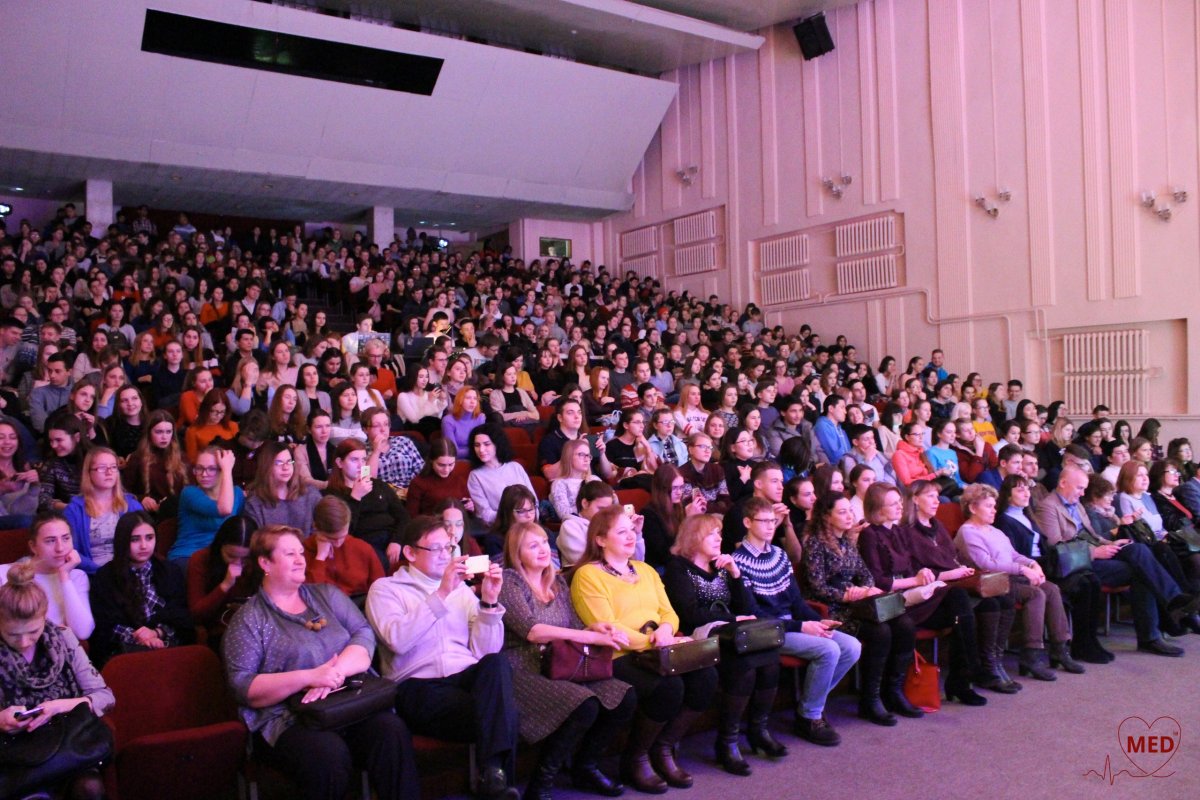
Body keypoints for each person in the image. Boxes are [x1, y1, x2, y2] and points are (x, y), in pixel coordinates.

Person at [222, 525, 419, 800]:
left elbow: (363, 635)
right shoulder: (249, 619)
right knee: (328, 754)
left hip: (347, 702)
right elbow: (243, 687)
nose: (301, 559)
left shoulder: (326, 595)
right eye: (290, 553)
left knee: (391, 730)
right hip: (289, 718)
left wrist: (334, 673)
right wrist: (309, 677)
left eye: (301, 552)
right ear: (265, 562)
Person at [366, 515, 520, 800]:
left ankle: (493, 777)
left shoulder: (461, 590)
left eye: (448, 548)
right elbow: (398, 640)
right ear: (410, 553)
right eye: (435, 549)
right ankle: (496, 779)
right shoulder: (385, 589)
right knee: (505, 713)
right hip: (417, 685)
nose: (445, 555)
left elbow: (485, 652)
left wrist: (488, 603)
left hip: (464, 679)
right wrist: (442, 592)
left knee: (498, 665)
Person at [570, 506, 718, 794]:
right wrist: (655, 641)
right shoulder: (588, 575)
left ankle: (662, 749)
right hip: (616, 655)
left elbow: (669, 613)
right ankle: (635, 757)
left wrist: (665, 631)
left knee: (706, 677)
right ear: (600, 539)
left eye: (631, 530)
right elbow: (606, 627)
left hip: (658, 647)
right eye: (621, 531)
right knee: (669, 687)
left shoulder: (647, 570)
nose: (630, 536)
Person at [500, 520, 636, 798]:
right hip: (522, 669)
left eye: (544, 542)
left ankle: (585, 766)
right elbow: (532, 631)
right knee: (583, 706)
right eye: (532, 544)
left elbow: (575, 628)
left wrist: (596, 629)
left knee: (624, 697)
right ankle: (540, 784)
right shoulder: (509, 581)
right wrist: (590, 638)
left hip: (561, 665)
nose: (543, 549)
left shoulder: (558, 581)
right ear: (516, 552)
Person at [662, 513, 784, 775]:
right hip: (699, 636)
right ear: (694, 538)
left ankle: (757, 730)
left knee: (771, 662)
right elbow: (690, 614)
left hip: (732, 634)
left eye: (719, 533)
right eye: (712, 534)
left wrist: (736, 574)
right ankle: (727, 742)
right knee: (745, 666)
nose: (719, 538)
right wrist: (732, 618)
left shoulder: (721, 566)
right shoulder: (678, 568)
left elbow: (749, 610)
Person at [733, 496, 860, 745]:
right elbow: (755, 615)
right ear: (747, 522)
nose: (771, 526)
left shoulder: (779, 556)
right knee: (829, 649)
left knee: (851, 647)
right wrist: (803, 626)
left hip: (793, 624)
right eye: (764, 521)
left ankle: (811, 701)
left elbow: (797, 602)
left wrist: (818, 622)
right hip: (770, 631)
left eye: (774, 521)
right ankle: (809, 717)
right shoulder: (738, 562)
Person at [1034, 466, 1198, 657]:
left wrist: (1111, 542)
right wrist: (1095, 552)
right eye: (1079, 488)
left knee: (1138, 550)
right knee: (1141, 570)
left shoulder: (1076, 503)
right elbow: (1056, 548)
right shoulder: (1048, 507)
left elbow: (1093, 535)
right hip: (1078, 563)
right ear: (1063, 483)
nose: (1083, 493)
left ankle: (1169, 609)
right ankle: (1159, 624)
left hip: (1095, 552)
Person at [801, 492, 920, 725]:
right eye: (842, 511)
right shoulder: (814, 544)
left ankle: (893, 691)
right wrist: (847, 594)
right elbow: (817, 588)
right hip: (830, 610)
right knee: (880, 632)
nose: (849, 516)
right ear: (827, 516)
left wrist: (863, 590)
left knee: (905, 624)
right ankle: (870, 699)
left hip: (856, 604)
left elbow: (866, 576)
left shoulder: (847, 541)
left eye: (850, 510)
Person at [0, 560, 115, 800]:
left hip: (67, 747)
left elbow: (105, 698)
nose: (24, 643)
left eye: (33, 631)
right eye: (12, 635)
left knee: (90, 788)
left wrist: (58, 707)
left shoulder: (63, 638)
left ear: (44, 618)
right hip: (13, 755)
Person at [956, 483, 1085, 679]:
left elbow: (1014, 555)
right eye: (988, 506)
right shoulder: (968, 532)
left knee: (1051, 588)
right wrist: (1023, 569)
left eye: (994, 505)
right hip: (992, 583)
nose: (994, 510)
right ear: (973, 508)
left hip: (1011, 577)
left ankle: (1060, 648)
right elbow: (986, 564)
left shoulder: (994, 531)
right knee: (1036, 593)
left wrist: (1033, 564)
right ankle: (1031, 655)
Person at [992, 474, 1111, 663]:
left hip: (1046, 564)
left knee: (1092, 580)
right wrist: (1034, 567)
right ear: (1007, 496)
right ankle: (1080, 644)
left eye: (1027, 488)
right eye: (1019, 489)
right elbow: (1013, 554)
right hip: (1031, 569)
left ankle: (1090, 640)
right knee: (1082, 585)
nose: (1026, 493)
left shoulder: (1027, 516)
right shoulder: (1004, 521)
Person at [89, 510, 193, 666]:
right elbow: (105, 625)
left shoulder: (170, 571)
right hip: (123, 652)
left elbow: (181, 616)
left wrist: (157, 632)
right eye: (135, 539)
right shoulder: (105, 576)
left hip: (167, 645)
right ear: (123, 541)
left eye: (149, 538)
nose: (144, 546)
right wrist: (139, 637)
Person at [0, 512, 94, 640]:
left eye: (66, 538)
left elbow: (83, 632)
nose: (60, 548)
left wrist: (64, 577)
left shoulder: (76, 576)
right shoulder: (4, 574)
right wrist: (53, 631)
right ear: (33, 547)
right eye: (50, 541)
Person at [324, 439, 410, 572]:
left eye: (363, 460)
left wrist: (396, 541)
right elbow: (343, 532)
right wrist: (355, 497)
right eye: (354, 460)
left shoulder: (378, 485)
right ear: (340, 463)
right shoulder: (332, 495)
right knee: (379, 561)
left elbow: (403, 516)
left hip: (392, 537)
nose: (360, 465)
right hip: (365, 543)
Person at [65, 447, 144, 575]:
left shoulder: (133, 506)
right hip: (92, 574)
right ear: (89, 473)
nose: (109, 472)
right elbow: (71, 550)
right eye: (102, 467)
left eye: (113, 467)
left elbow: (144, 543)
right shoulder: (74, 511)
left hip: (129, 572)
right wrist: (101, 572)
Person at [187, 514, 255, 646]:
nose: (238, 563)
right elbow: (196, 614)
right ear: (220, 547)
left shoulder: (258, 562)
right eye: (231, 556)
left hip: (255, 628)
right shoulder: (201, 559)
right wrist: (225, 585)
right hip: (220, 630)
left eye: (245, 559)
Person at [303, 495, 385, 602]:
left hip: (360, 605)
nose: (337, 543)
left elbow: (381, 588)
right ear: (316, 528)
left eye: (342, 537)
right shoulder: (303, 551)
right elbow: (311, 595)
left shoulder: (362, 548)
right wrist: (320, 558)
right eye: (331, 538)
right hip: (325, 607)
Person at [172, 446, 244, 566]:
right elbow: (224, 509)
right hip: (187, 556)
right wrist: (227, 470)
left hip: (220, 558)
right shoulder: (189, 493)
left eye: (212, 469)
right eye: (199, 468)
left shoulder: (237, 493)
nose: (204, 474)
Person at [245, 441, 323, 535]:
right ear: (266, 466)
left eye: (289, 461)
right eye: (279, 463)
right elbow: (256, 543)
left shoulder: (310, 494)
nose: (286, 467)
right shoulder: (255, 503)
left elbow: (323, 531)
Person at [467, 424, 537, 527]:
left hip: (530, 523)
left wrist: (530, 519)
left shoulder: (515, 467)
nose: (481, 450)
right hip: (503, 528)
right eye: (477, 445)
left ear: (497, 444)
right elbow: (485, 514)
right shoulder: (475, 476)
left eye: (486, 444)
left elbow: (534, 502)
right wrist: (514, 518)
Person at [406, 438, 473, 517]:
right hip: (431, 526)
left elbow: (467, 513)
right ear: (431, 461)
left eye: (451, 464)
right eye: (441, 465)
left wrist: (470, 507)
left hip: (458, 525)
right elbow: (412, 516)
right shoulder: (418, 483)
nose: (446, 470)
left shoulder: (459, 480)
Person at [362, 408, 424, 491]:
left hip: (411, 491)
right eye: (377, 425)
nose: (383, 429)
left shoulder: (403, 441)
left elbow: (421, 469)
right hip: (383, 496)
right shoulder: (361, 451)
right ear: (365, 429)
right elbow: (366, 479)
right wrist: (376, 452)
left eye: (386, 424)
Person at [37, 415, 88, 513]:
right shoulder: (53, 461)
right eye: (51, 441)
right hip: (66, 513)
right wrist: (68, 507)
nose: (54, 446)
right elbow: (43, 499)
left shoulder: (94, 459)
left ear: (77, 437)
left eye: (59, 440)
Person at [185, 388, 239, 463]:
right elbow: (192, 460)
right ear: (205, 409)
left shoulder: (233, 426)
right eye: (214, 411)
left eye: (222, 411)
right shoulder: (193, 431)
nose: (218, 415)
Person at [294, 410, 335, 491]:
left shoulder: (336, 449)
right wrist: (332, 485)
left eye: (327, 426)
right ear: (309, 429)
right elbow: (305, 480)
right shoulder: (301, 451)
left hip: (337, 494)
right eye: (319, 427)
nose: (324, 431)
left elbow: (361, 469)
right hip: (313, 495)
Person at [442, 386, 487, 454]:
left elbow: (483, 445)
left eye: (475, 399)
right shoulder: (448, 420)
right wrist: (477, 451)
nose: (472, 402)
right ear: (460, 400)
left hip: (478, 458)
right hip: (458, 461)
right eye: (468, 398)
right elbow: (452, 452)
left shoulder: (480, 418)